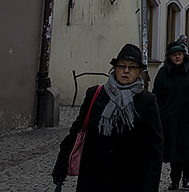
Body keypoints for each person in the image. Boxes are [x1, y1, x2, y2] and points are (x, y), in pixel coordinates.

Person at [53, 43, 163, 192]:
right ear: (114, 68)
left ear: (139, 72)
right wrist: (61, 168)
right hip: (93, 179)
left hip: (129, 181)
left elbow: (153, 149)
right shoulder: (95, 95)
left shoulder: (147, 101)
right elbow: (76, 133)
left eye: (132, 67)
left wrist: (149, 186)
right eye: (121, 66)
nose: (126, 71)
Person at [152, 41, 189, 190]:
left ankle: (186, 177)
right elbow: (157, 93)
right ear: (170, 57)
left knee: (186, 148)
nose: (177, 57)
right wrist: (159, 109)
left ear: (184, 55)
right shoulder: (163, 72)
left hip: (187, 115)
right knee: (173, 149)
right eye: (174, 55)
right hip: (169, 116)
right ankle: (174, 179)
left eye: (179, 54)